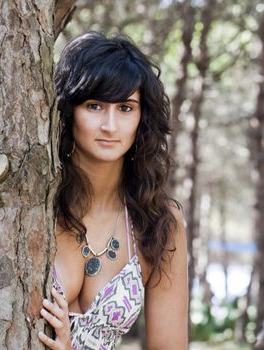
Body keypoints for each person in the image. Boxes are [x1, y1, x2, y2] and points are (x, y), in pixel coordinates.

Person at [38, 32, 188, 349]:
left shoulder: (159, 221)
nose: (110, 125)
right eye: (94, 106)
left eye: (125, 108)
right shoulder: (29, 204)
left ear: (141, 117)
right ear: (67, 111)